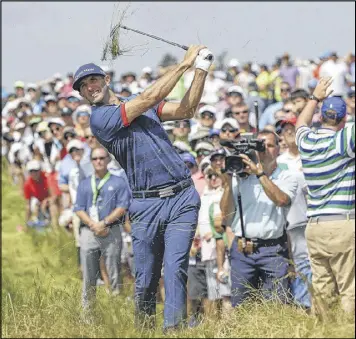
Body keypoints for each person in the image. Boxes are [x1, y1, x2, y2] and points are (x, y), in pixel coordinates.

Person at [72, 45, 214, 331]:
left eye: (94, 80)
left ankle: (173, 330)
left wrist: (201, 69)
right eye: (84, 86)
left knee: (175, 269)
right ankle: (145, 330)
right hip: (145, 204)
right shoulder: (100, 119)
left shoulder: (140, 102)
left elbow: (186, 109)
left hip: (181, 197)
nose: (90, 87)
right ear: (82, 94)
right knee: (147, 278)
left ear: (106, 80)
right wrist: (184, 64)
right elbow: (151, 96)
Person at [295, 78, 355, 316]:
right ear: (343, 121)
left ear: (321, 117)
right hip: (342, 223)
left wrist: (314, 98)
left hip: (315, 228)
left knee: (322, 291)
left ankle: (324, 331)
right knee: (349, 290)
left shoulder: (307, 141)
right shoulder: (343, 140)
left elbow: (301, 122)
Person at [218, 130, 298, 307]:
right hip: (242, 250)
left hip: (273, 250)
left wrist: (260, 174)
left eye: (270, 145)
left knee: (278, 305)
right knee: (241, 306)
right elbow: (226, 215)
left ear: (278, 149)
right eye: (260, 146)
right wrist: (227, 184)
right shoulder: (242, 176)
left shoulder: (287, 175)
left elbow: (282, 200)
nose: (264, 150)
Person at [74, 147, 131, 311]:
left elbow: (122, 206)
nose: (98, 161)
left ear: (108, 160)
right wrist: (94, 225)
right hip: (89, 231)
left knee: (114, 270)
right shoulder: (85, 183)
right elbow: (78, 208)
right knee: (89, 274)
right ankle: (87, 313)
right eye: (95, 158)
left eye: (101, 158)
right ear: (91, 162)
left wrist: (104, 223)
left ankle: (115, 309)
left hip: (111, 230)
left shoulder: (118, 182)